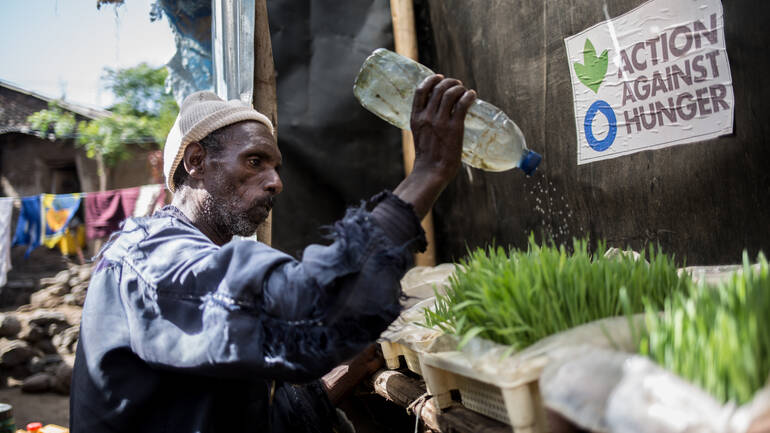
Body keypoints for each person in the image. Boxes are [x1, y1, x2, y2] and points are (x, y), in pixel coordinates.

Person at [70, 74, 476, 432]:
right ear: (196, 161)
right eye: (254, 161)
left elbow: (237, 415)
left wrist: (332, 382)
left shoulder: (192, 252)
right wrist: (427, 172)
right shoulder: (155, 258)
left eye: (276, 167)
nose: (275, 182)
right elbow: (305, 307)